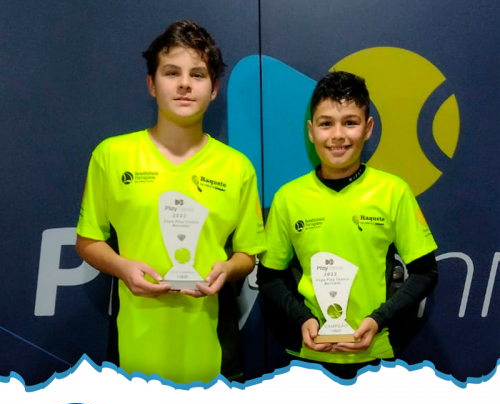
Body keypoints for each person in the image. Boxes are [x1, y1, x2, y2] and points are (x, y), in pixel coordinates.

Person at [76, 20, 265, 384]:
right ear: (152, 84)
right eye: (171, 72)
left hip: (213, 351)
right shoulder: (111, 156)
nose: (184, 84)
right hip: (134, 348)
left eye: (197, 74)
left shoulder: (237, 167)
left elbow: (247, 254)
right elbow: (87, 241)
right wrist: (122, 267)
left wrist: (228, 270)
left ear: (214, 89)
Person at [257, 71, 438, 379]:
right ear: (311, 131)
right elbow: (269, 277)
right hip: (310, 356)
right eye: (326, 124)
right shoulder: (288, 197)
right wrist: (302, 319)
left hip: (376, 354)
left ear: (368, 128)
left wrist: (378, 320)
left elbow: (425, 272)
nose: (338, 135)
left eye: (350, 123)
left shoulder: (393, 192)